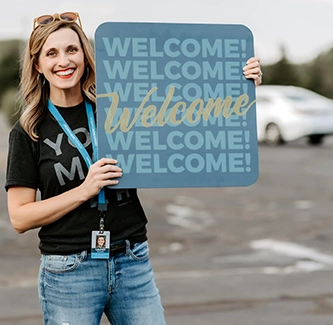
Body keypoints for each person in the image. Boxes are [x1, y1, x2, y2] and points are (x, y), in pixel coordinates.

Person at [5, 12, 263, 325]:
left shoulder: (121, 106)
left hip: (132, 259)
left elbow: (188, 106)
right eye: (52, 53)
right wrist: (85, 190)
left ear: (85, 56)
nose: (64, 61)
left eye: (72, 50)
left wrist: (238, 80)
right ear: (38, 65)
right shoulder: (29, 130)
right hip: (69, 269)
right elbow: (20, 217)